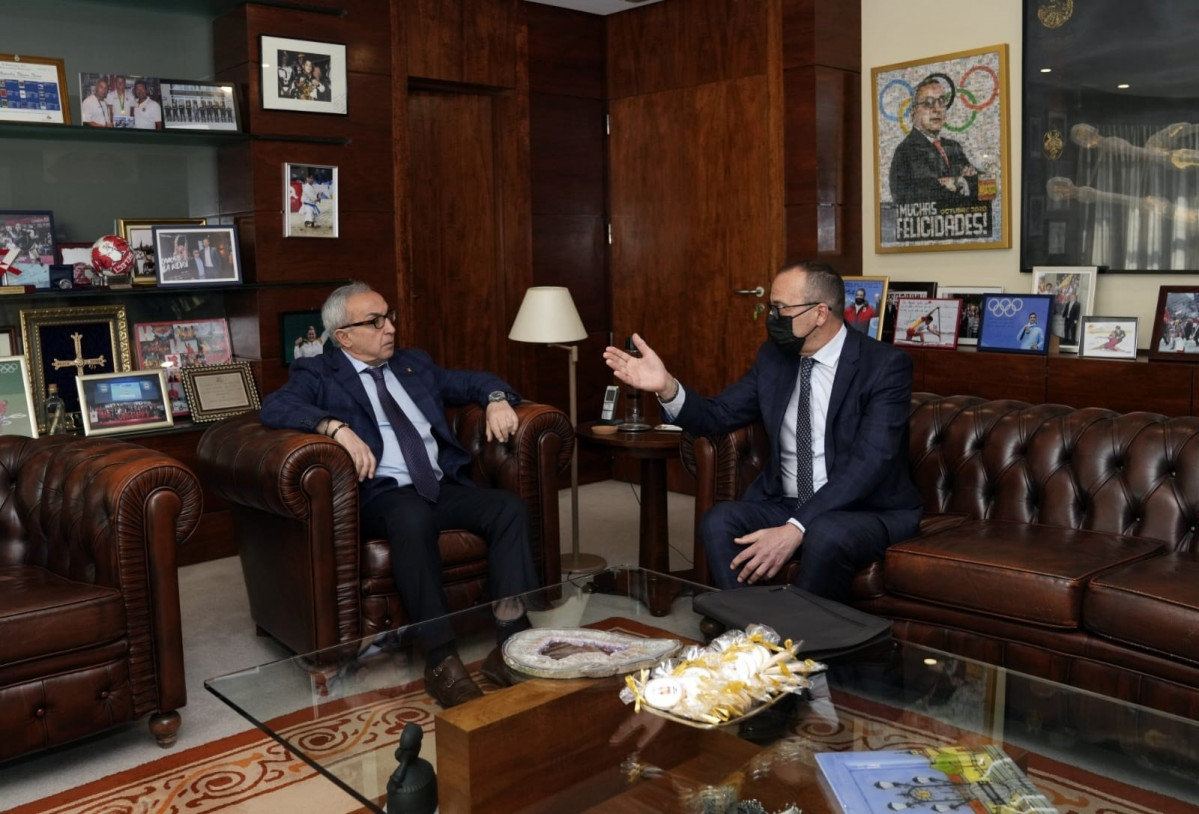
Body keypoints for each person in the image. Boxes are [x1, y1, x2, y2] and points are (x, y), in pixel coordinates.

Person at [258, 282, 540, 707]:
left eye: (389, 316)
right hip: (381, 495)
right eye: (375, 321)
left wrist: (497, 398)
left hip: (438, 484)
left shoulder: (413, 364)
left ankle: (510, 642)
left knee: (508, 508)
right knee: (412, 518)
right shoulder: (319, 373)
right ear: (344, 336)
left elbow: (471, 381)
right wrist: (333, 427)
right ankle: (441, 659)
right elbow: (275, 408)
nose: (389, 327)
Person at [603, 261, 922, 603]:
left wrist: (796, 527)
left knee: (825, 533)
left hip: (862, 508)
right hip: (785, 501)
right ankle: (753, 635)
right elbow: (719, 414)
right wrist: (667, 388)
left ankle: (799, 647)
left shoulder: (884, 365)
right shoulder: (774, 358)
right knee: (719, 521)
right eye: (772, 306)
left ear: (820, 313)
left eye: (780, 308)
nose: (771, 317)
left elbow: (869, 464)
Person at [889, 76, 979, 205]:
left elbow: (985, 186)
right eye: (928, 103)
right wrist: (961, 183)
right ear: (913, 111)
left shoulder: (953, 147)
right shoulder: (905, 151)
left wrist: (956, 182)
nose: (937, 109)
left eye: (941, 101)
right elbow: (908, 197)